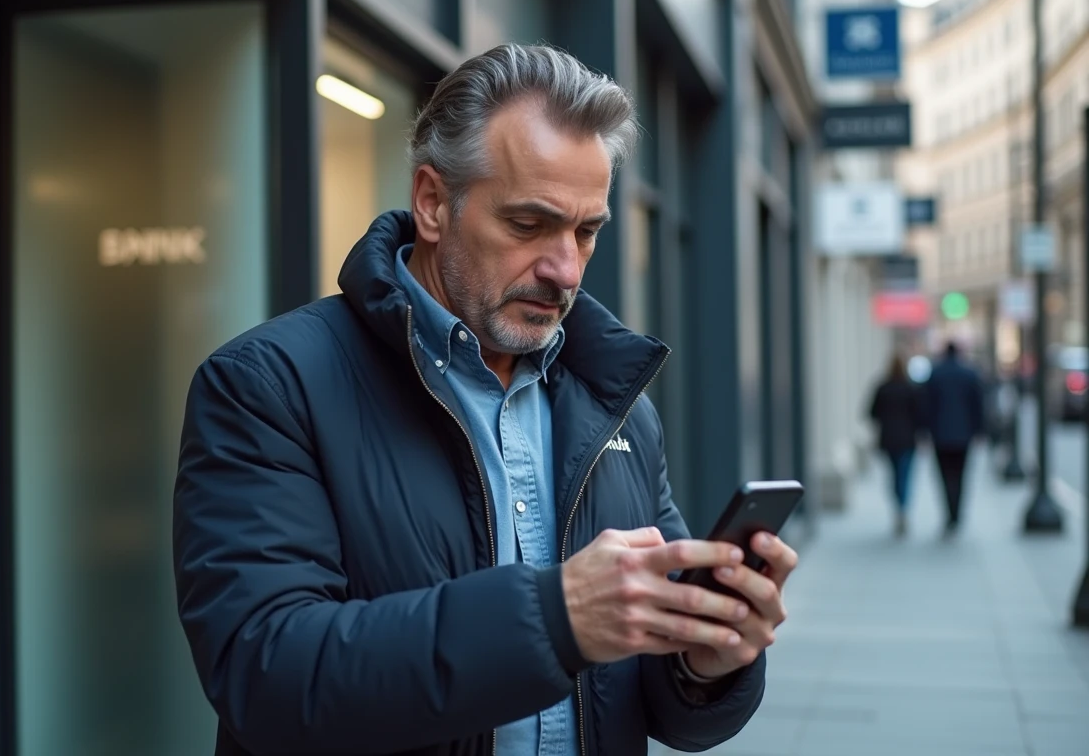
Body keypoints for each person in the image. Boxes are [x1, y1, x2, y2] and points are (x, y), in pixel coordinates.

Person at [172, 44, 797, 756]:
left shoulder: (616, 403)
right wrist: (553, 620)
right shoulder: (266, 385)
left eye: (586, 231)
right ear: (434, 202)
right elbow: (268, 678)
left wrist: (704, 660)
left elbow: (663, 706)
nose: (565, 269)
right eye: (528, 225)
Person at [925, 341, 985, 535]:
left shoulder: (935, 373)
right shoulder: (969, 374)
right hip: (963, 435)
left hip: (940, 436)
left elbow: (927, 406)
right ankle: (956, 514)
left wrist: (925, 431)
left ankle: (949, 514)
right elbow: (978, 406)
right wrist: (980, 431)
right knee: (960, 476)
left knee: (944, 477)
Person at [868, 354, 926, 537]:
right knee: (904, 475)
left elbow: (871, 413)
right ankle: (902, 508)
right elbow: (919, 415)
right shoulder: (910, 388)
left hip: (888, 440)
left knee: (894, 475)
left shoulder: (883, 388)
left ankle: (898, 507)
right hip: (907, 440)